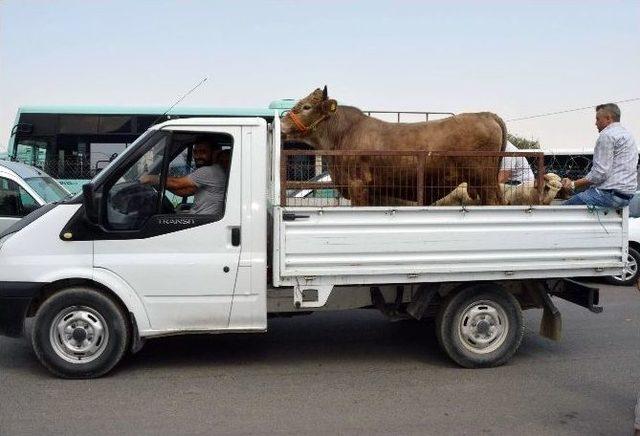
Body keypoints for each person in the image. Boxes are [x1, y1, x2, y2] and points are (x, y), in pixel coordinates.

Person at [562, 103, 638, 207]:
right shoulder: (627, 135)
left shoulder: (607, 135)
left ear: (608, 118)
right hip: (626, 196)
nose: (595, 123)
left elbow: (600, 174)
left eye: (598, 119)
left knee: (562, 209)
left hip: (608, 195)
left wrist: (573, 184)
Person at [140, 136, 227, 215]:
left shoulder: (210, 171)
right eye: (195, 152)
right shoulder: (216, 171)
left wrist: (149, 179)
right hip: (202, 219)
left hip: (203, 223)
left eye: (203, 152)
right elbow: (185, 192)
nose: (197, 156)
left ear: (215, 153)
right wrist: (160, 185)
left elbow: (176, 183)